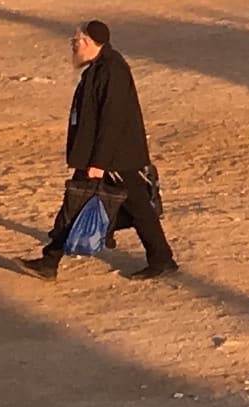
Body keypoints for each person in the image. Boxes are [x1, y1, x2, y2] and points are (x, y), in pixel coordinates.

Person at [34, 18, 179, 279]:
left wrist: (99, 163)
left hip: (114, 157)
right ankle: (160, 257)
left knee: (83, 205)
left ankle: (51, 260)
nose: (73, 45)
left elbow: (112, 120)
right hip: (106, 155)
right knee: (133, 208)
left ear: (88, 42)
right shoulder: (99, 68)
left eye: (75, 41)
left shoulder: (113, 71)